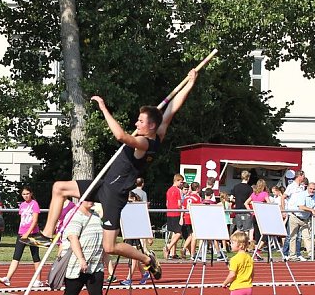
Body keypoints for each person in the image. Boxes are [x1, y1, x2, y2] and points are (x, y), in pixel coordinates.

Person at [24, 69, 199, 281]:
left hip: (115, 195)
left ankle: (146, 259)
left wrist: (103, 108)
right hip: (104, 184)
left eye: (140, 121)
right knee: (58, 187)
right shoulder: (159, 131)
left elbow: (120, 135)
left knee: (110, 246)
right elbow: (172, 108)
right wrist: (189, 83)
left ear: (151, 126)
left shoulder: (145, 143)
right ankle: (47, 234)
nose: (136, 124)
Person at [61, 200, 106, 295]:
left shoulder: (95, 215)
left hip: (95, 265)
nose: (92, 201)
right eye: (88, 198)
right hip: (78, 266)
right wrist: (81, 259)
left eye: (93, 198)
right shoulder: (74, 215)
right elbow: (73, 238)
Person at [0, 187, 42, 287]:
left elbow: (34, 221)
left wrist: (28, 233)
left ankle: (38, 280)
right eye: (23, 194)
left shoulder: (34, 204)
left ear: (31, 193)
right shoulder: (22, 205)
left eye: (27, 194)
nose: (26, 196)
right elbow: (22, 219)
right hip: (21, 233)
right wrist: (22, 232)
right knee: (16, 256)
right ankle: (8, 278)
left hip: (33, 234)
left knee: (35, 256)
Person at [285, 181, 315, 260]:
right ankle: (292, 255)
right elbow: (301, 207)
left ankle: (311, 254)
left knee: (307, 237)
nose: (312, 190)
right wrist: (312, 210)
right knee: (293, 236)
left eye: (314, 189)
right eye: (311, 189)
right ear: (307, 188)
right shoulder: (302, 195)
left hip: (305, 219)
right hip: (295, 217)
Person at [244, 179, 270, 260]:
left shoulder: (254, 194)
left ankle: (257, 253)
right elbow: (269, 203)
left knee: (258, 236)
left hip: (255, 216)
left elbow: (246, 203)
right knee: (265, 235)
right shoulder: (264, 194)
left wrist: (251, 211)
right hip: (262, 216)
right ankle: (256, 250)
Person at [164, 174, 185, 259]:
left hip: (169, 212)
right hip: (176, 213)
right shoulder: (178, 190)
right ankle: (168, 247)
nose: (181, 184)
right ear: (177, 180)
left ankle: (173, 253)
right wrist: (182, 208)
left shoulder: (169, 190)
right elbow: (179, 204)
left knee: (174, 232)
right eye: (181, 182)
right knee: (179, 233)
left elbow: (167, 203)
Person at [181, 181, 201, 259]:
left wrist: (181, 217)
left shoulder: (187, 197)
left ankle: (186, 249)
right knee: (193, 236)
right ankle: (192, 254)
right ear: (197, 188)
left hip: (186, 216)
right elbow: (199, 209)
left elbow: (183, 207)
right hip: (192, 217)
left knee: (191, 235)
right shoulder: (197, 198)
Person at [230, 170, 253, 236]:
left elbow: (231, 198)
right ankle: (245, 244)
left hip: (237, 210)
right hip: (246, 210)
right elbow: (250, 200)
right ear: (248, 178)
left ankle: (231, 238)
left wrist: (237, 200)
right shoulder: (249, 188)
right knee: (246, 230)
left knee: (239, 229)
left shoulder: (236, 187)